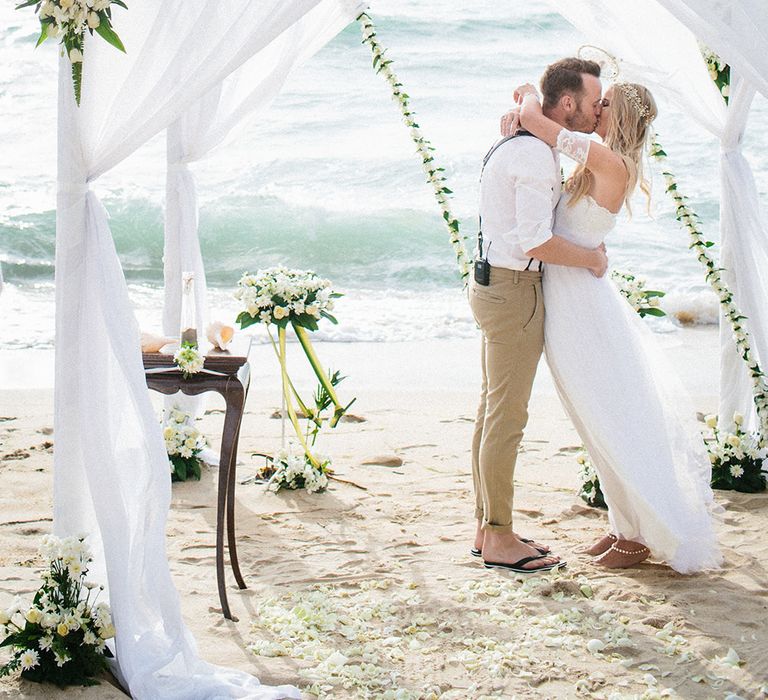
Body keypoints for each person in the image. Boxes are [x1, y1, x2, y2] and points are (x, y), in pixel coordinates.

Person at [503, 78, 722, 572]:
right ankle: (625, 526)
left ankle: (643, 532)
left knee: (608, 414)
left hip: (582, 306)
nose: (596, 109)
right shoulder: (596, 158)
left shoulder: (610, 162)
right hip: (569, 297)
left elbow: (539, 124)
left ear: (619, 116)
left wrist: (524, 95)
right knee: (592, 417)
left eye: (605, 104)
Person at [469, 58, 609, 574]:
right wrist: (593, 259)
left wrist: (524, 97)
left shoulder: (526, 142)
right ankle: (500, 538)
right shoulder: (532, 155)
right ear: (567, 104)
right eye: (594, 102)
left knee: (492, 412)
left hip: (492, 282)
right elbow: (536, 241)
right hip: (514, 290)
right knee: (507, 418)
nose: (599, 111)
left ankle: (488, 528)